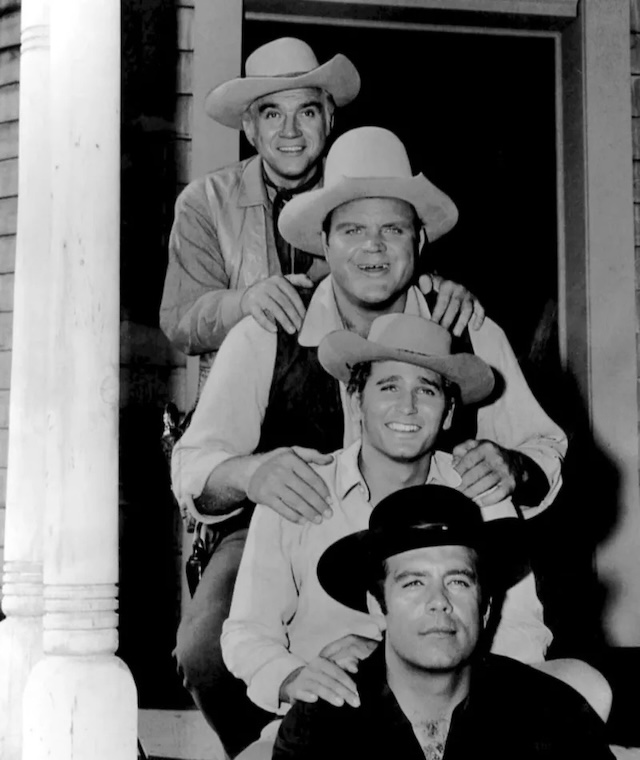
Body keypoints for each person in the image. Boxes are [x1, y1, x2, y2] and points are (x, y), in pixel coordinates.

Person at [171, 127, 567, 755]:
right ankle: (281, 743)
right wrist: (254, 475)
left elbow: (543, 448)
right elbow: (194, 463)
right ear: (323, 244)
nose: (373, 248)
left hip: (442, 533)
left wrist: (512, 466)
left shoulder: (464, 325)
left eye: (393, 230)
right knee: (205, 650)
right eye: (352, 231)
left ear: (421, 241)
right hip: (292, 519)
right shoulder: (271, 329)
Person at [222, 313, 553, 758]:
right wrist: (292, 678)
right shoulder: (297, 488)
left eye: (428, 390)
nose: (408, 407)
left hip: (458, 721)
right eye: (389, 387)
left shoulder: (479, 489)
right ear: (356, 401)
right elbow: (246, 632)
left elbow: (522, 632)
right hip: (330, 723)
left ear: (451, 411)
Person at [160, 37, 480, 387]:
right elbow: (181, 323)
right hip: (234, 404)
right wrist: (245, 302)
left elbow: (402, 269)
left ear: (329, 119)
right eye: (272, 114)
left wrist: (443, 291)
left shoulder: (366, 189)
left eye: (307, 112)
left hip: (344, 405)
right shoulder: (204, 201)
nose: (290, 130)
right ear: (250, 128)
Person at [272, 485, 615, 760]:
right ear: (377, 607)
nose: (439, 601)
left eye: (458, 582)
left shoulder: (550, 711)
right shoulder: (322, 723)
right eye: (413, 583)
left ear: (485, 607)